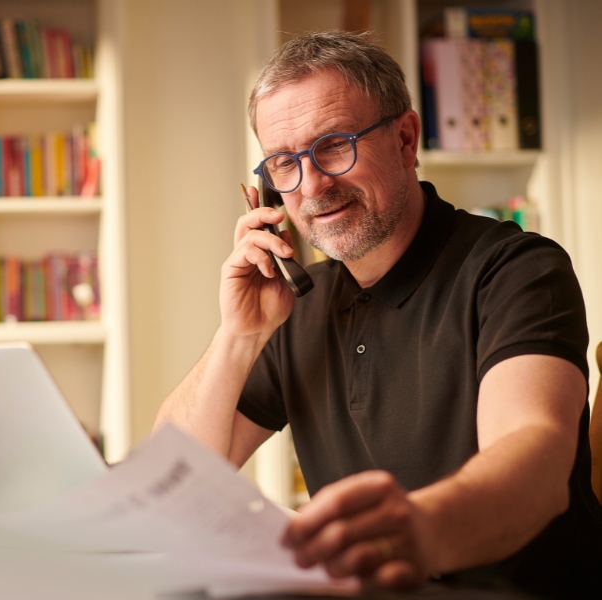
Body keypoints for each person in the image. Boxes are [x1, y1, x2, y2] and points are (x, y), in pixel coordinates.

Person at [155, 30, 602, 597]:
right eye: (284, 163)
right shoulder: (295, 305)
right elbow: (170, 479)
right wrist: (238, 335)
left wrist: (417, 531)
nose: (311, 185)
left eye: (335, 145)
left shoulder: (515, 270)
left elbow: (535, 468)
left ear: (406, 139)